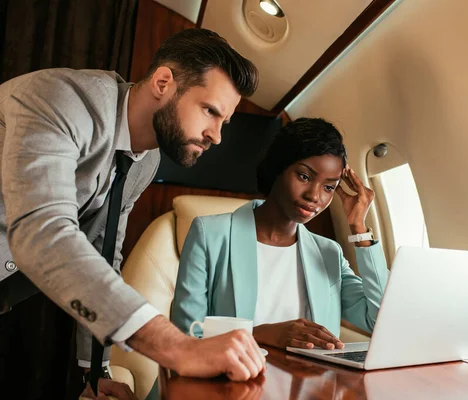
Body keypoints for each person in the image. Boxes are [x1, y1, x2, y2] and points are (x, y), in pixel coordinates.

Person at [0, 28, 266, 400]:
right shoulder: (58, 98)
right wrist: (178, 348)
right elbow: (42, 232)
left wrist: (95, 370)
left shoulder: (147, 159)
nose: (217, 136)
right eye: (210, 111)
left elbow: (103, 251)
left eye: (224, 122)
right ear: (163, 82)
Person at [172, 117, 389, 352]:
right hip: (231, 382)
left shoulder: (328, 253)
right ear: (278, 167)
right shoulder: (210, 235)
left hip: (311, 385)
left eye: (329, 187)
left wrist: (359, 229)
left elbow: (380, 321)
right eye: (304, 177)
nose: (314, 196)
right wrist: (260, 334)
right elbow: (185, 336)